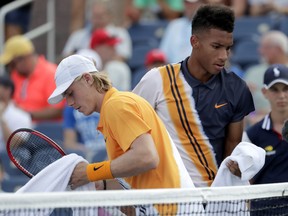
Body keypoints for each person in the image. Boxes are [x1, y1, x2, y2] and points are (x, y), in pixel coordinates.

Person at [133, 4, 255, 187]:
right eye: (216, 46)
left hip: (213, 200)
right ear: (194, 42)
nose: (223, 56)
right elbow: (128, 130)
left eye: (228, 48)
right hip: (166, 195)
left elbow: (231, 152)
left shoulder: (237, 88)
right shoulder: (156, 80)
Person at [48, 55, 194, 197]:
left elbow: (147, 157)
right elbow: (138, 175)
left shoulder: (116, 105)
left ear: (88, 79)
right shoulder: (115, 104)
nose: (69, 102)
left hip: (172, 207)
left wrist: (90, 172)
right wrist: (102, 184)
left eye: (71, 93)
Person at [242, 64, 288, 215]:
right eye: (275, 90)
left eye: (285, 89)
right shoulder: (252, 135)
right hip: (263, 211)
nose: (281, 95)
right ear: (265, 92)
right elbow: (247, 180)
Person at [0, 35, 65, 123]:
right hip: (19, 126)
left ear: (25, 58)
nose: (11, 69)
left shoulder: (51, 73)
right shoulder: (16, 74)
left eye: (12, 64)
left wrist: (26, 114)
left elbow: (58, 110)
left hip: (46, 130)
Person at [62, 1, 132, 62]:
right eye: (95, 16)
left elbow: (123, 56)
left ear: (109, 16)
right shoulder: (78, 35)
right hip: (83, 70)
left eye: (100, 16)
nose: (97, 20)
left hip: (108, 69)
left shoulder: (120, 33)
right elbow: (66, 56)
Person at [244, 30, 288, 127]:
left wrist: (269, 116)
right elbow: (243, 104)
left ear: (279, 49)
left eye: (265, 47)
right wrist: (253, 116)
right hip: (256, 123)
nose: (260, 51)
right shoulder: (253, 72)